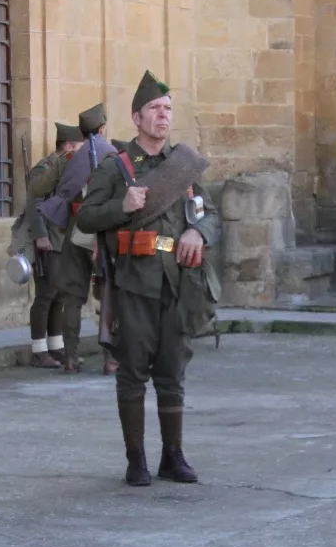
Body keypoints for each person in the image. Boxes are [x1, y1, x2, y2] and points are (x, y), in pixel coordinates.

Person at [77, 71, 220, 486]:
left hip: (180, 282)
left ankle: (173, 457)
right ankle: (136, 459)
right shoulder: (116, 167)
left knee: (173, 370)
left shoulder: (184, 166)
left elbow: (209, 214)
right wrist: (122, 206)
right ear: (137, 118)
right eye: (155, 109)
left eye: (168, 108)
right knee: (133, 370)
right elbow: (86, 218)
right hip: (134, 282)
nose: (163, 115)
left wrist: (198, 231)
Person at [41, 104, 117, 373]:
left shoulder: (73, 159)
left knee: (73, 296)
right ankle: (111, 358)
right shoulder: (111, 154)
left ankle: (71, 357)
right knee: (110, 293)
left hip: (76, 228)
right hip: (103, 228)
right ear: (103, 129)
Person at [18, 122, 80, 367]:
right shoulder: (45, 168)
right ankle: (38, 350)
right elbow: (32, 205)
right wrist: (41, 235)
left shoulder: (66, 169)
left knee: (59, 294)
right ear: (68, 146)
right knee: (45, 295)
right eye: (78, 147)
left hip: (63, 238)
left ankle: (56, 348)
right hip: (48, 239)